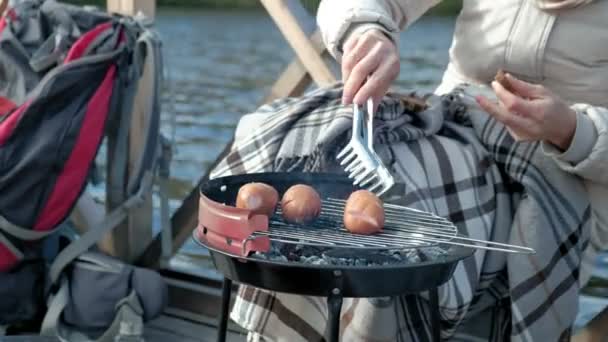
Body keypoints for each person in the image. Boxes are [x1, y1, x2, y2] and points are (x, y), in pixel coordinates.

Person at [315, 0, 608, 340]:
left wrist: (571, 129)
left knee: (391, 234)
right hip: (447, 133)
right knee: (296, 141)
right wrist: (365, 30)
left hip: (564, 192)